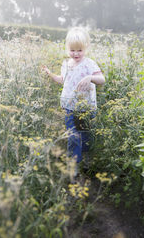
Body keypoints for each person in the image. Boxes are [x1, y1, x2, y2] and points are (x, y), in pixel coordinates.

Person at [42, 27, 105, 177]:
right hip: (70, 107)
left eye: (79, 50)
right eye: (72, 50)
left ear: (85, 49)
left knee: (86, 136)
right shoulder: (66, 64)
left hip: (86, 108)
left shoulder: (89, 64)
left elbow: (102, 80)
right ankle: (74, 165)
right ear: (67, 48)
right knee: (73, 136)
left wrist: (90, 78)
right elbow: (63, 80)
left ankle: (88, 160)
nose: (76, 53)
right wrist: (50, 74)